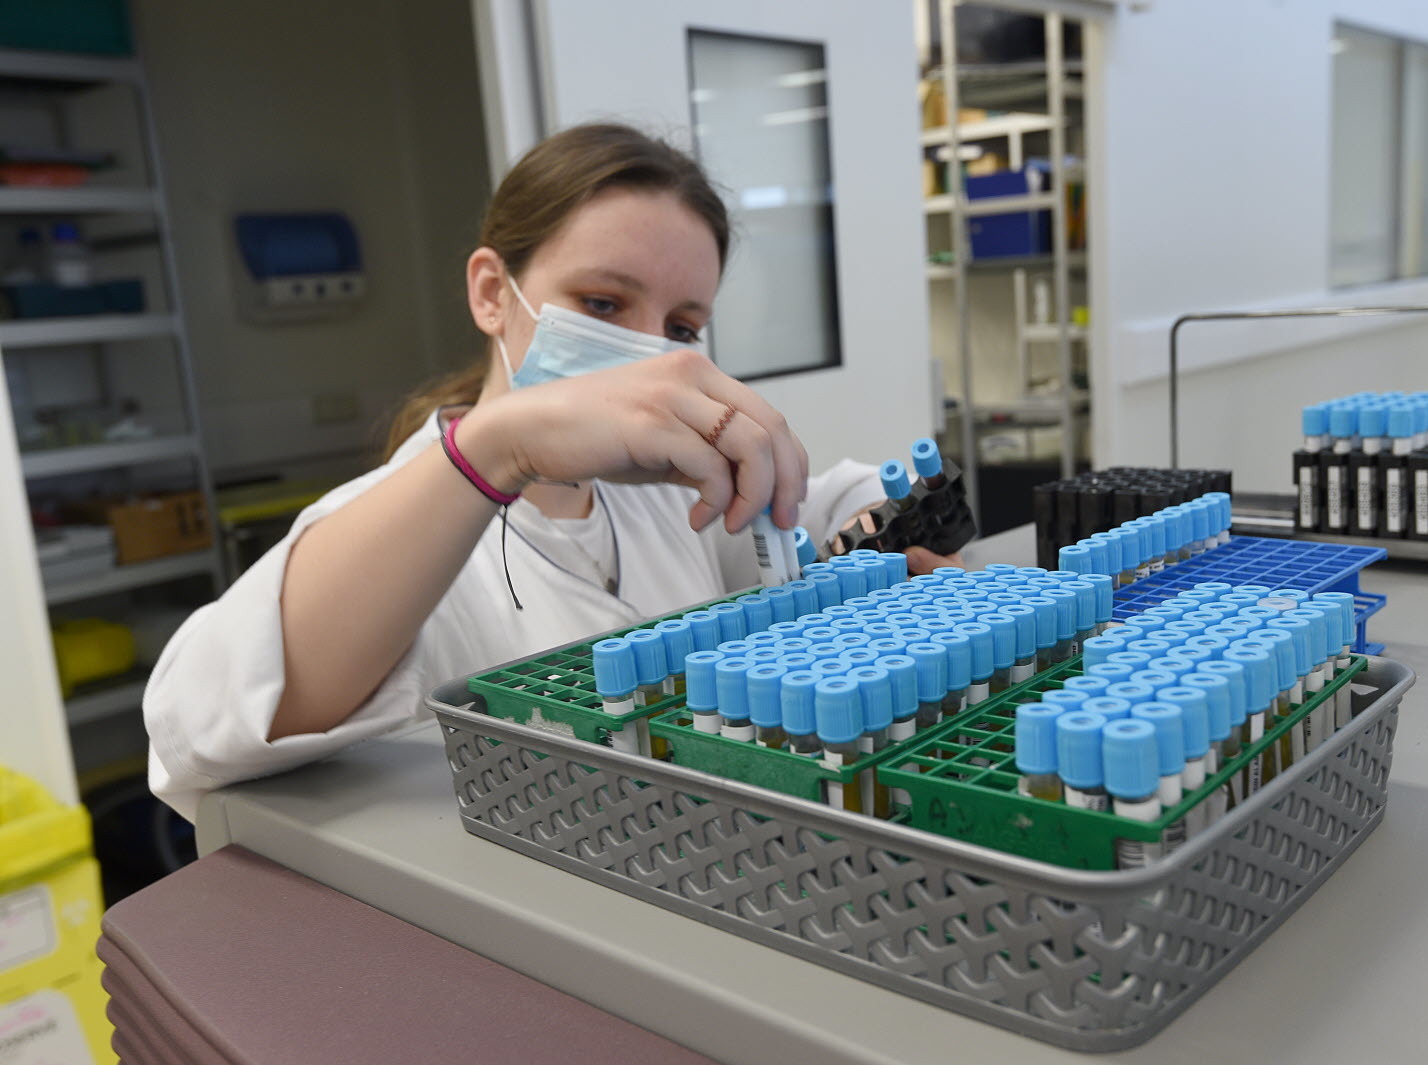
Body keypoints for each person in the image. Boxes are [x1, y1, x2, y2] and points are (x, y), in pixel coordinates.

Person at [146, 123, 957, 820]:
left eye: (681, 325)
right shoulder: (396, 527)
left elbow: (809, 512)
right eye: (604, 304)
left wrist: (879, 526)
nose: (648, 354)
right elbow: (195, 730)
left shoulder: (650, 499)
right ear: (493, 292)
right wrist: (502, 446)